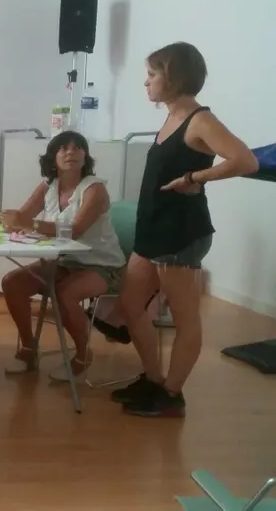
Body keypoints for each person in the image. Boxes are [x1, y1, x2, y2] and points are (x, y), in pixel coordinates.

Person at [112, 42, 258, 418]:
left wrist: (195, 177)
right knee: (130, 303)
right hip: (153, 229)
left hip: (179, 231)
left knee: (184, 317)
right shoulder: (172, 118)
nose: (146, 82)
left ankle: (172, 394)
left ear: (173, 77)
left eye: (152, 74)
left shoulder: (200, 120)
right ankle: (153, 379)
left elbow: (246, 160)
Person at [0, 131, 126, 380]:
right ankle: (28, 348)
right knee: (12, 283)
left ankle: (83, 354)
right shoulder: (48, 185)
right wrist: (12, 221)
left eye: (78, 147)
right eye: (64, 148)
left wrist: (30, 224)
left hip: (103, 265)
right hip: (64, 261)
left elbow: (75, 231)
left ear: (85, 156)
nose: (71, 152)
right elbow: (22, 217)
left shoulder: (95, 188)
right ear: (52, 157)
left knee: (65, 294)